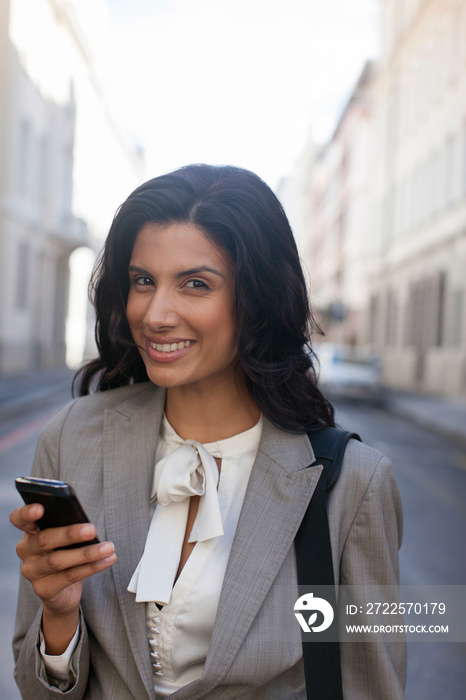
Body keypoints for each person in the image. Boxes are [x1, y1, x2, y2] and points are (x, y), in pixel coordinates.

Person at [10, 164, 406, 699]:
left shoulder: (353, 485)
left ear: (258, 300)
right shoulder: (72, 439)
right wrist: (59, 618)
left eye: (195, 284)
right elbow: (36, 689)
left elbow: (371, 687)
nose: (155, 313)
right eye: (142, 281)